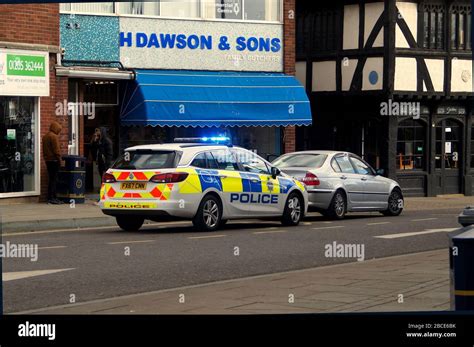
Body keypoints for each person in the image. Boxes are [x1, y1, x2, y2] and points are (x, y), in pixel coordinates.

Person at [42, 121, 63, 204]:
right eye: (59, 130)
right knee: (54, 180)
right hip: (54, 160)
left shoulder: (45, 136)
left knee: (51, 179)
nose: (59, 132)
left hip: (48, 160)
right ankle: (52, 198)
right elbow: (56, 150)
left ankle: (50, 198)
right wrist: (59, 159)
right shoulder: (54, 136)